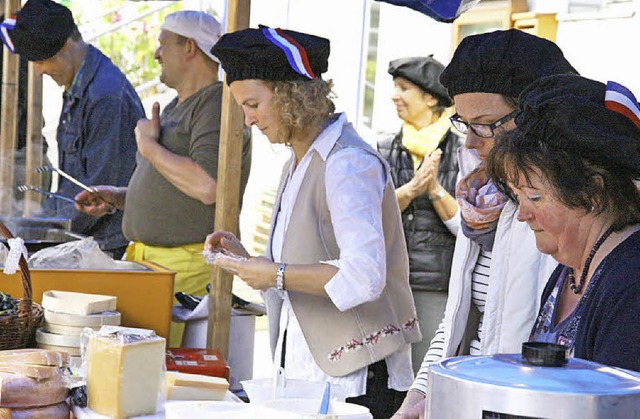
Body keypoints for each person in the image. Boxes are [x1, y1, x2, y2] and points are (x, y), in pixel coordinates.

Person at [205, 27, 421, 417]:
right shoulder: (301, 159)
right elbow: (305, 261)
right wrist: (247, 261)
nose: (249, 120)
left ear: (291, 95)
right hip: (313, 371)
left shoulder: (348, 163)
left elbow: (364, 276)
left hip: (357, 381)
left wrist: (274, 274)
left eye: (253, 104)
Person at [392, 29, 577, 418]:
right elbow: (456, 318)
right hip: (469, 401)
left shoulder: (564, 211)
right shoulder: (481, 194)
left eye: (486, 123)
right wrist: (418, 396)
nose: (472, 142)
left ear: (537, 119)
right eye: (464, 123)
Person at [74, 11, 252, 347]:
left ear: (189, 48)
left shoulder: (215, 103)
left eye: (162, 43)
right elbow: (175, 184)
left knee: (161, 371)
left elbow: (208, 186)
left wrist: (148, 146)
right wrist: (119, 198)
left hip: (183, 267)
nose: (156, 53)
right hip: (150, 263)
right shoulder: (176, 106)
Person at [486, 74, 640, 372]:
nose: (523, 214)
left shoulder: (631, 281)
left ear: (592, 191)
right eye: (518, 197)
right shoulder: (570, 270)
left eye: (535, 196)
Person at [0, 0, 143, 259]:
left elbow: (96, 192)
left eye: (43, 61)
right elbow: (72, 187)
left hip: (105, 246)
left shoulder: (106, 96)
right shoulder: (80, 83)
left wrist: (32, 232)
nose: (39, 71)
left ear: (66, 45)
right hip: (86, 239)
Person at [377, 56, 463, 373]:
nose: (394, 96)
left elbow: (467, 224)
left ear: (431, 98)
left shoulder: (462, 147)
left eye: (404, 88)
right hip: (387, 282)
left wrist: (435, 189)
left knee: (425, 373)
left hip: (434, 284)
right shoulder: (385, 146)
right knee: (383, 380)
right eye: (395, 88)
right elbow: (374, 213)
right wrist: (412, 189)